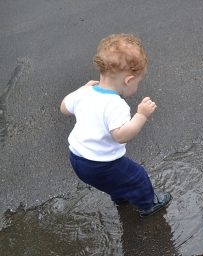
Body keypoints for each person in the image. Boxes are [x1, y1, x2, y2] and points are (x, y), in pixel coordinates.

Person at [60, 33, 171, 217]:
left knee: (115, 180)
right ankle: (148, 205)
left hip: (77, 158)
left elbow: (64, 108)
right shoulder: (116, 105)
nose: (137, 86)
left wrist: (81, 89)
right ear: (128, 80)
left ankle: (120, 196)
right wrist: (141, 115)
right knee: (137, 177)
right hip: (100, 163)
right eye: (138, 82)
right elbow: (121, 136)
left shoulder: (85, 92)